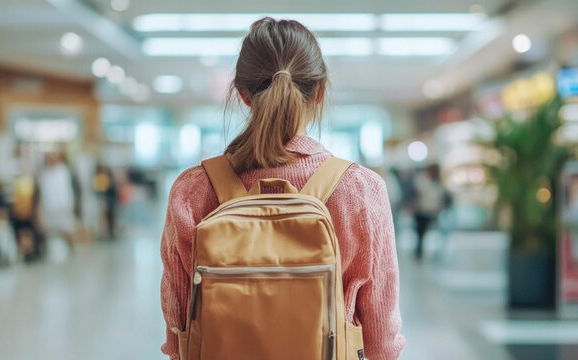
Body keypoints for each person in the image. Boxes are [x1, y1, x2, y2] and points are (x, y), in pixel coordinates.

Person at [159, 18, 404, 360]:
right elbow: (381, 338)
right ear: (319, 91)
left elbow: (178, 330)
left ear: (243, 94)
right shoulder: (360, 189)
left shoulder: (193, 190)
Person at [413, 164, 444, 259]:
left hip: (433, 210)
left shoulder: (437, 181)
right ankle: (419, 251)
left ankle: (437, 251)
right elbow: (418, 192)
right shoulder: (422, 179)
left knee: (436, 232)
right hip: (422, 210)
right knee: (420, 233)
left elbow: (440, 196)